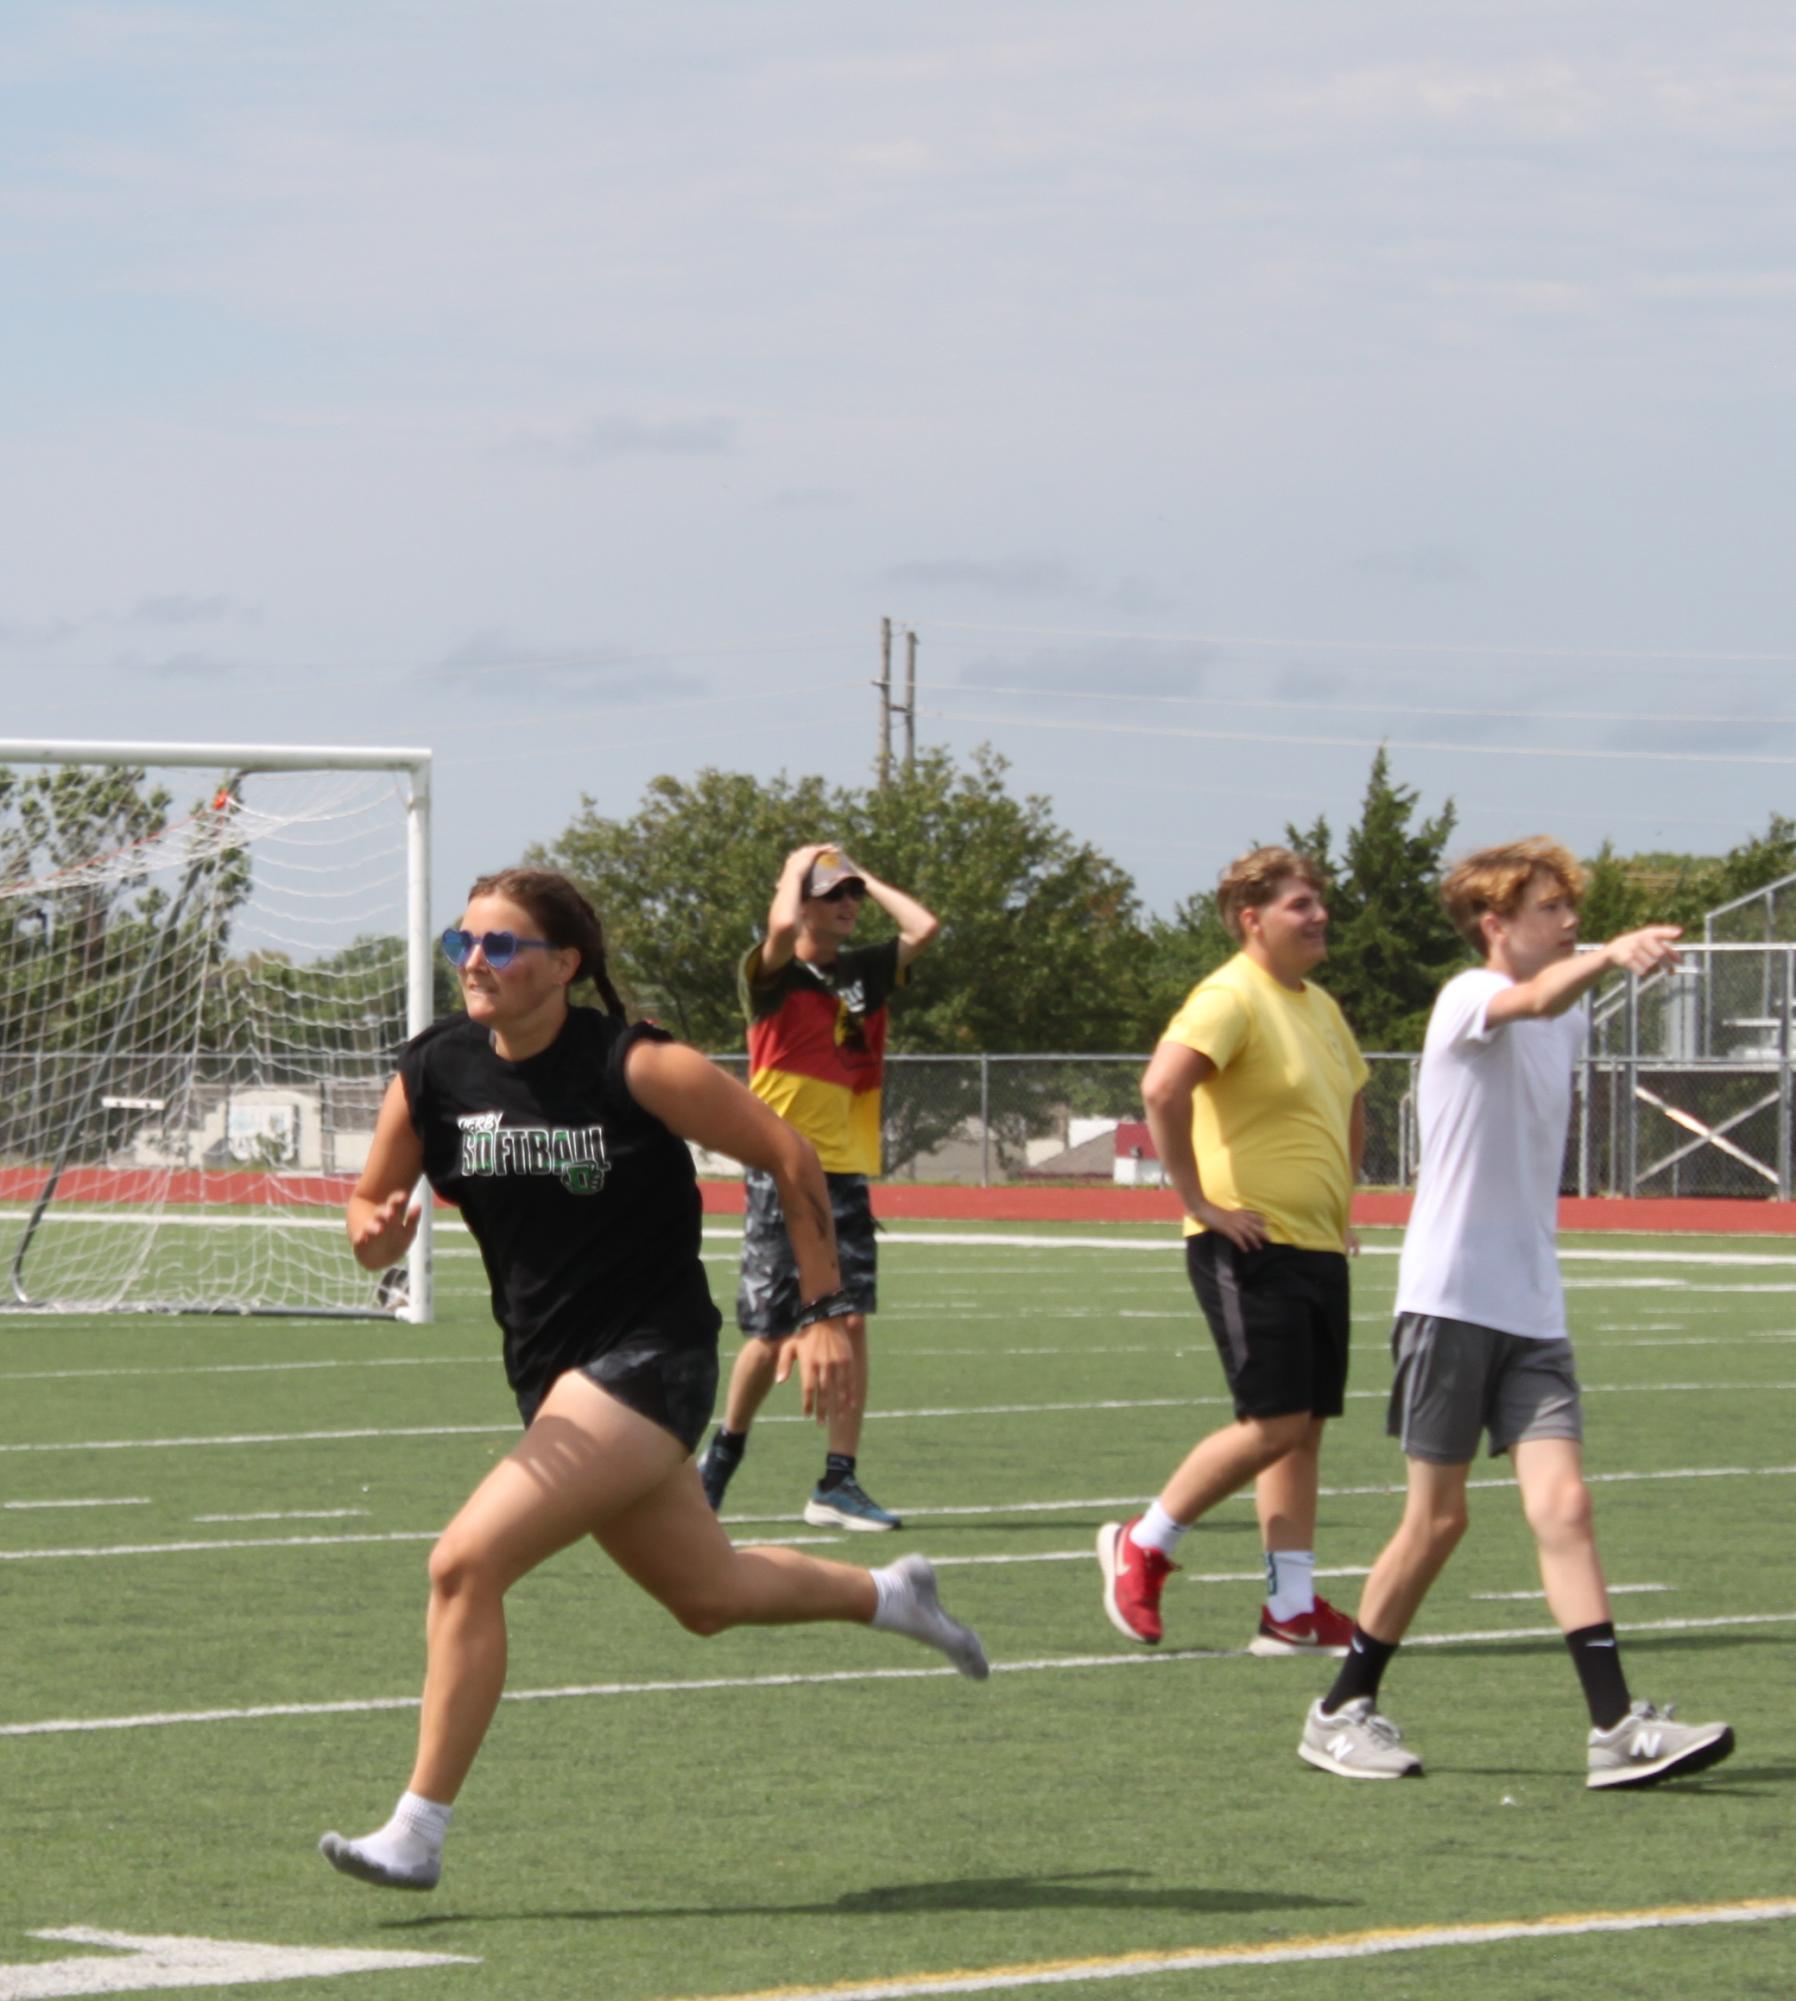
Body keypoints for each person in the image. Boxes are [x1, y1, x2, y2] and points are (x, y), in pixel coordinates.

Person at [319, 868, 986, 1892]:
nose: (476, 965)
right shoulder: (434, 1072)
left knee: (463, 1564)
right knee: (706, 1595)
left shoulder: (635, 1064)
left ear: (564, 966)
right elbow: (370, 1215)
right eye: (465, 945)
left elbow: (789, 1154)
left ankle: (417, 1829)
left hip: (652, 1355)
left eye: (501, 946)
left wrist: (821, 1311)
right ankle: (888, 1596)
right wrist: (375, 1236)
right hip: (549, 1370)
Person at [1297, 839, 1735, 1788]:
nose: (1570, 920)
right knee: (1438, 1521)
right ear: (1496, 925)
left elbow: (1556, 1003)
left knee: (1564, 1503)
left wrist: (1600, 963)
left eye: (1571, 909)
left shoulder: (1564, 1018)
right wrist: (1614, 954)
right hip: (1449, 1299)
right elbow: (1531, 997)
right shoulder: (1467, 996)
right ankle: (1339, 1710)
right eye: (1549, 908)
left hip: (1533, 1304)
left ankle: (1614, 1727)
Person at [1097, 847, 1367, 1654]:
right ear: (1252, 919)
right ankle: (1145, 1542)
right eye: (1298, 904)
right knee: (1273, 1419)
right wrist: (1199, 1202)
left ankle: (1289, 1609)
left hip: (1314, 1243)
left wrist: (1341, 1199)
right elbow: (1161, 1087)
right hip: (1250, 1244)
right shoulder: (1230, 994)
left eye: (1318, 900)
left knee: (1303, 1427)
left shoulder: (1318, 1003)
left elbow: (1354, 1096)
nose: (1318, 915)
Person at [697, 843, 938, 1531]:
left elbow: (924, 929)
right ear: (801, 901)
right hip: (782, 1164)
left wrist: (863, 870)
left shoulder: (865, 970)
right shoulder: (770, 973)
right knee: (774, 1335)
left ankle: (838, 1481)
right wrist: (795, 865)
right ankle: (722, 1457)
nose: (849, 905)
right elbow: (776, 932)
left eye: (853, 895)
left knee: (850, 1318)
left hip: (845, 1168)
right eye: (833, 894)